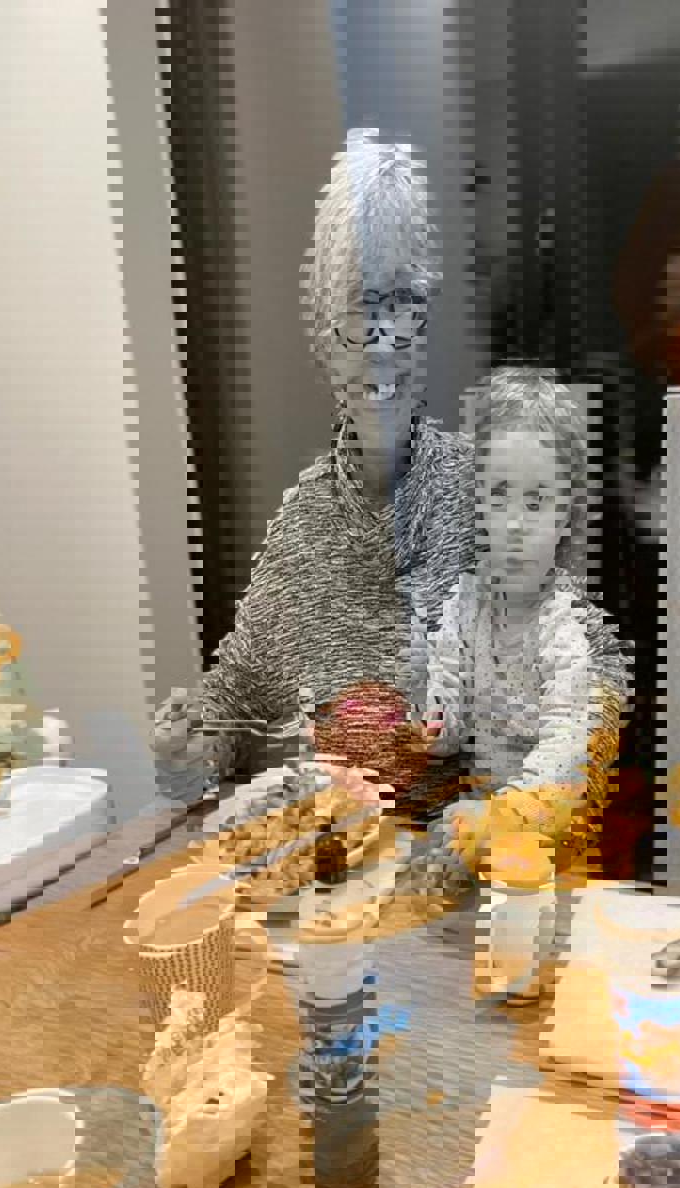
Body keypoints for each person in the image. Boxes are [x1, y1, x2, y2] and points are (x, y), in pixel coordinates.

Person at [151, 130, 473, 813]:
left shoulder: (489, 502)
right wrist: (194, 743)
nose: (383, 342)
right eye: (361, 308)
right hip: (325, 852)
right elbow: (237, 693)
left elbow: (577, 689)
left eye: (403, 304)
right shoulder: (304, 525)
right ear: (327, 336)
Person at [421, 365, 630, 913]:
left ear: (565, 516)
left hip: (550, 836)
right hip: (475, 822)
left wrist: (503, 817)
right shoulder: (465, 605)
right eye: (499, 496)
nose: (514, 523)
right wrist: (428, 725)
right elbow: (447, 717)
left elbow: (566, 750)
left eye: (536, 502)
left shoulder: (567, 626)